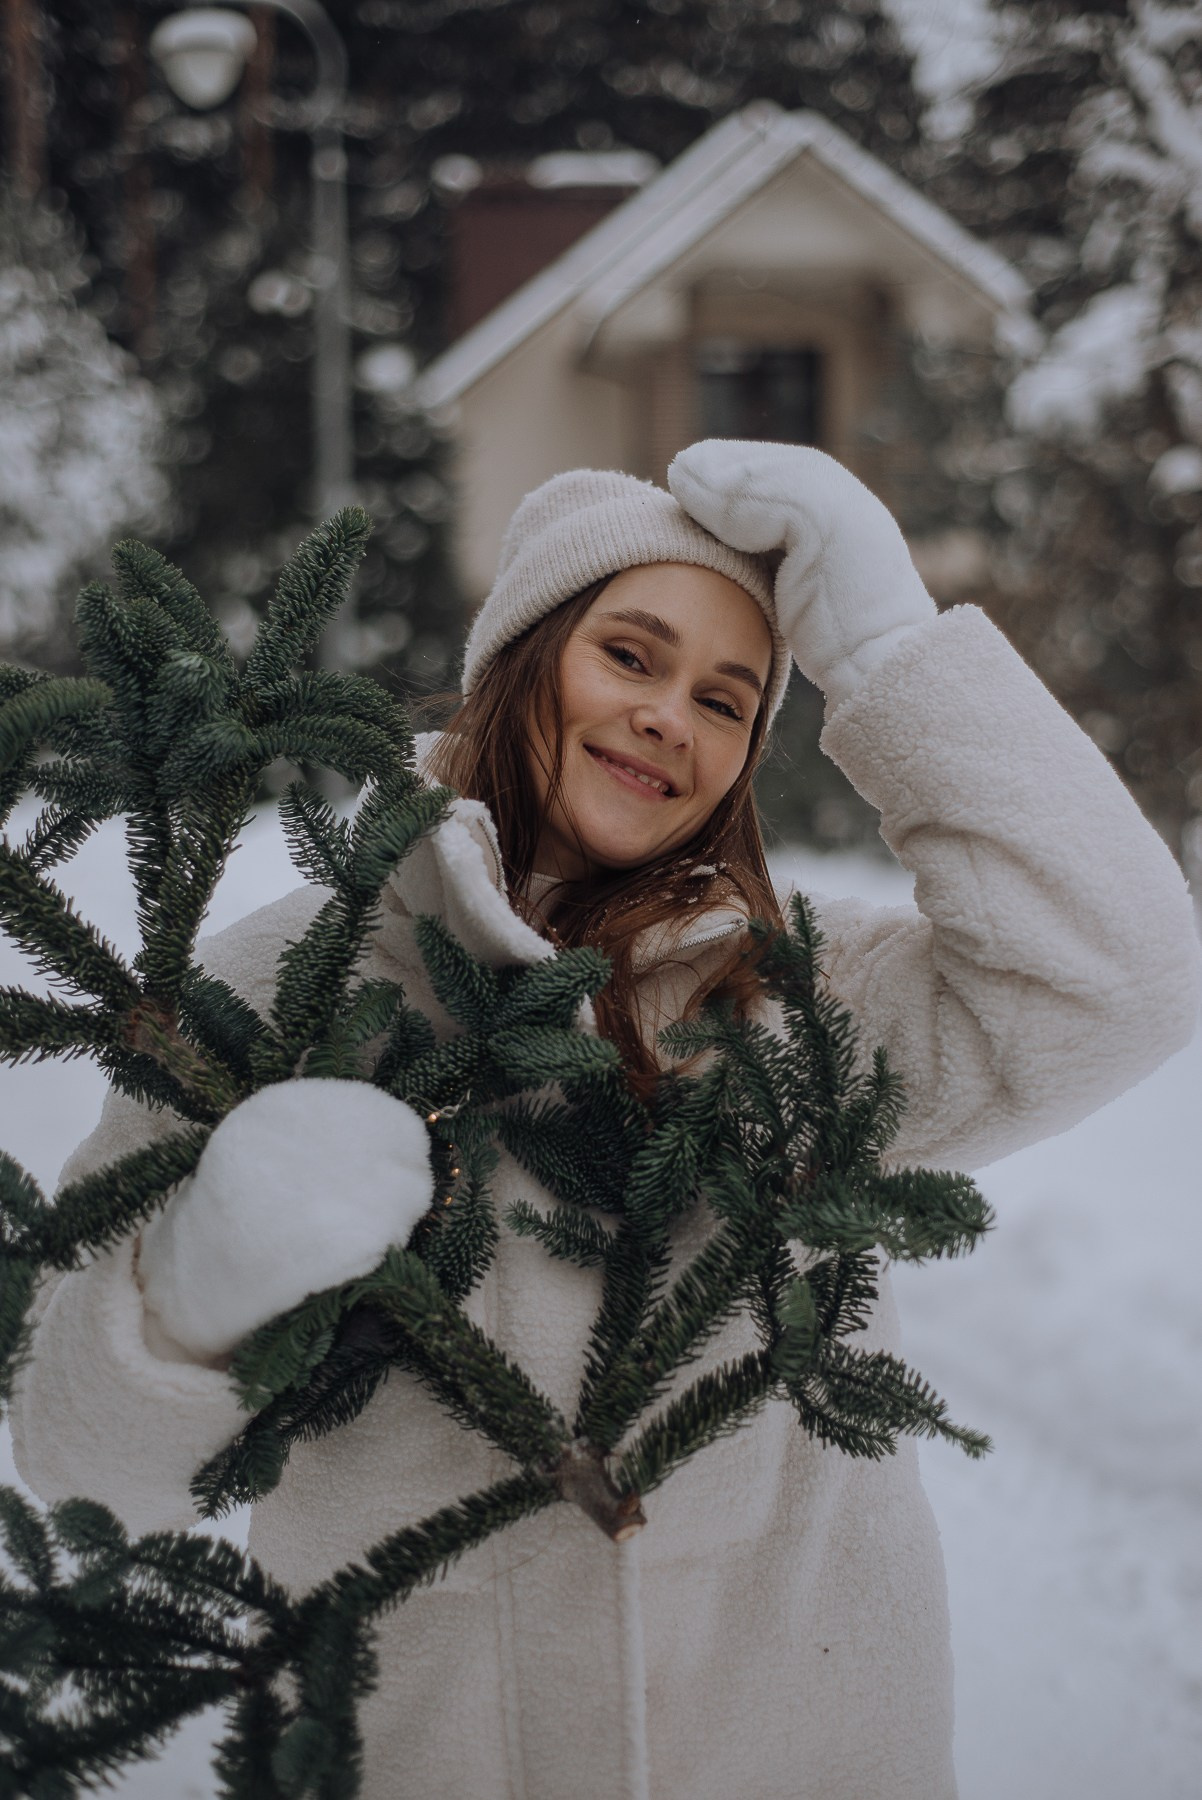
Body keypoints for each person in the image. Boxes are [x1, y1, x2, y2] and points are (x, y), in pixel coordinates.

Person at [12, 441, 1201, 1800]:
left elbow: (1118, 983)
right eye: (627, 657)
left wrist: (884, 650)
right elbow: (75, 1456)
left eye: (723, 699)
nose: (666, 718)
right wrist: (193, 1286)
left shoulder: (796, 1004)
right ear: (520, 660)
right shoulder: (273, 990)